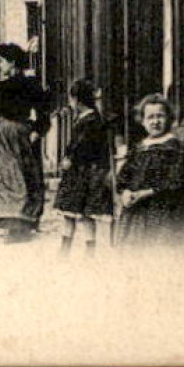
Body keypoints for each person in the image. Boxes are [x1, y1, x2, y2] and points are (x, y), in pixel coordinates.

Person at [0, 43, 51, 242]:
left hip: (16, 135)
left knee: (16, 178)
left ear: (12, 62)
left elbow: (43, 108)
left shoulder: (27, 84)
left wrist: (38, 130)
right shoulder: (5, 83)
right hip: (8, 136)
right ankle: (16, 223)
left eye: (1, 61)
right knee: (12, 177)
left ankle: (20, 225)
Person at [116, 94, 184, 248]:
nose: (155, 121)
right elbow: (124, 175)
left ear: (169, 119)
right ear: (142, 121)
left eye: (160, 116)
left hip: (161, 212)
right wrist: (124, 192)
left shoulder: (172, 147)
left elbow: (175, 180)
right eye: (150, 117)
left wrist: (146, 193)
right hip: (135, 212)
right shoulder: (139, 147)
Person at [55, 79, 114, 257]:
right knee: (76, 214)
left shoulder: (90, 121)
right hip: (81, 173)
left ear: (78, 100)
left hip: (82, 173)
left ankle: (83, 251)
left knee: (80, 214)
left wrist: (70, 159)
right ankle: (73, 250)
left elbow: (83, 146)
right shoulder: (89, 118)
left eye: (71, 100)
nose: (70, 104)